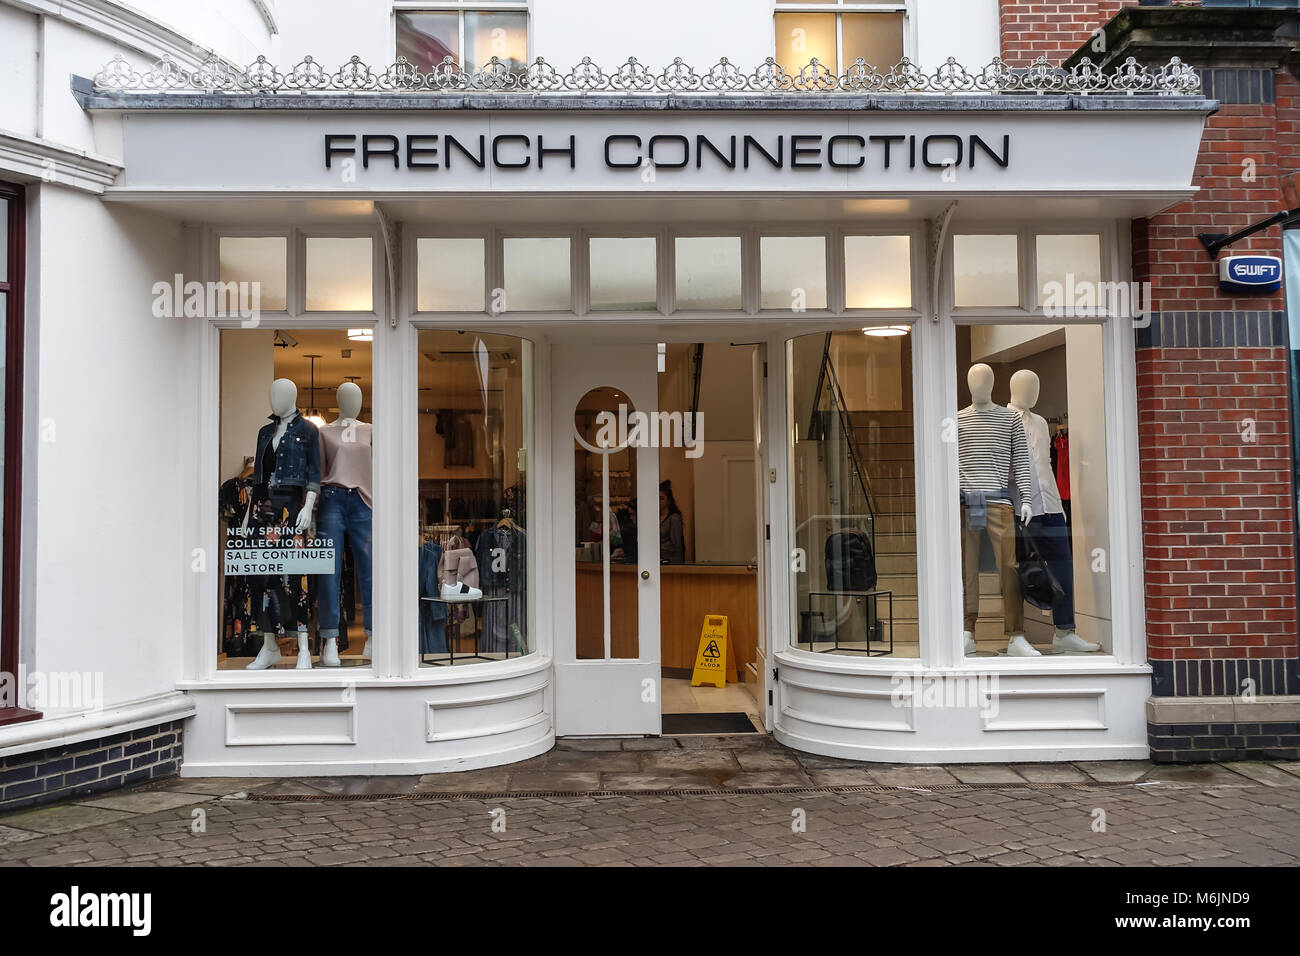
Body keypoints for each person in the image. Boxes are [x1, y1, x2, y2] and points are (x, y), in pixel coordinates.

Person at [659, 480, 685, 565]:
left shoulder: (674, 518)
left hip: (671, 561)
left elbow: (676, 544)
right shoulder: (653, 518)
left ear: (668, 500)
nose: (658, 501)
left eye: (661, 498)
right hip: (658, 561)